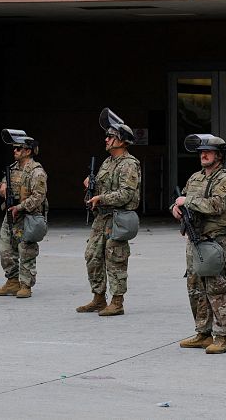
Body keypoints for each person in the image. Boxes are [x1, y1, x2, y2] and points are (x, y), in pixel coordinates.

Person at [171, 134, 226, 354]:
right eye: (201, 151)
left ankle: (221, 337)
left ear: (219, 156)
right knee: (195, 288)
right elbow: (182, 200)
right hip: (195, 241)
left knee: (216, 288)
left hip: (216, 241)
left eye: (208, 151)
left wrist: (186, 201)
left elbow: (216, 205)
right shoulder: (195, 178)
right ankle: (203, 332)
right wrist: (176, 208)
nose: (203, 154)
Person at [76, 108, 141, 316]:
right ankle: (98, 297)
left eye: (110, 136)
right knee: (92, 256)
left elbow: (126, 195)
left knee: (115, 259)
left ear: (122, 141)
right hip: (102, 218)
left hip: (118, 218)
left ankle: (117, 301)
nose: (106, 140)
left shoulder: (130, 164)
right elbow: (102, 187)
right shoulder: (107, 162)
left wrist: (101, 198)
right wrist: (91, 187)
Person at [0, 129, 48, 298]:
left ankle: (25, 284)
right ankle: (12, 280)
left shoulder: (36, 172)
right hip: (11, 213)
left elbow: (39, 196)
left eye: (18, 148)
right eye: (14, 148)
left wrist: (21, 207)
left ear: (28, 151)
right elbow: (3, 184)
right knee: (5, 248)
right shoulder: (12, 169)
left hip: (28, 215)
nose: (14, 151)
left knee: (26, 250)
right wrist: (2, 189)